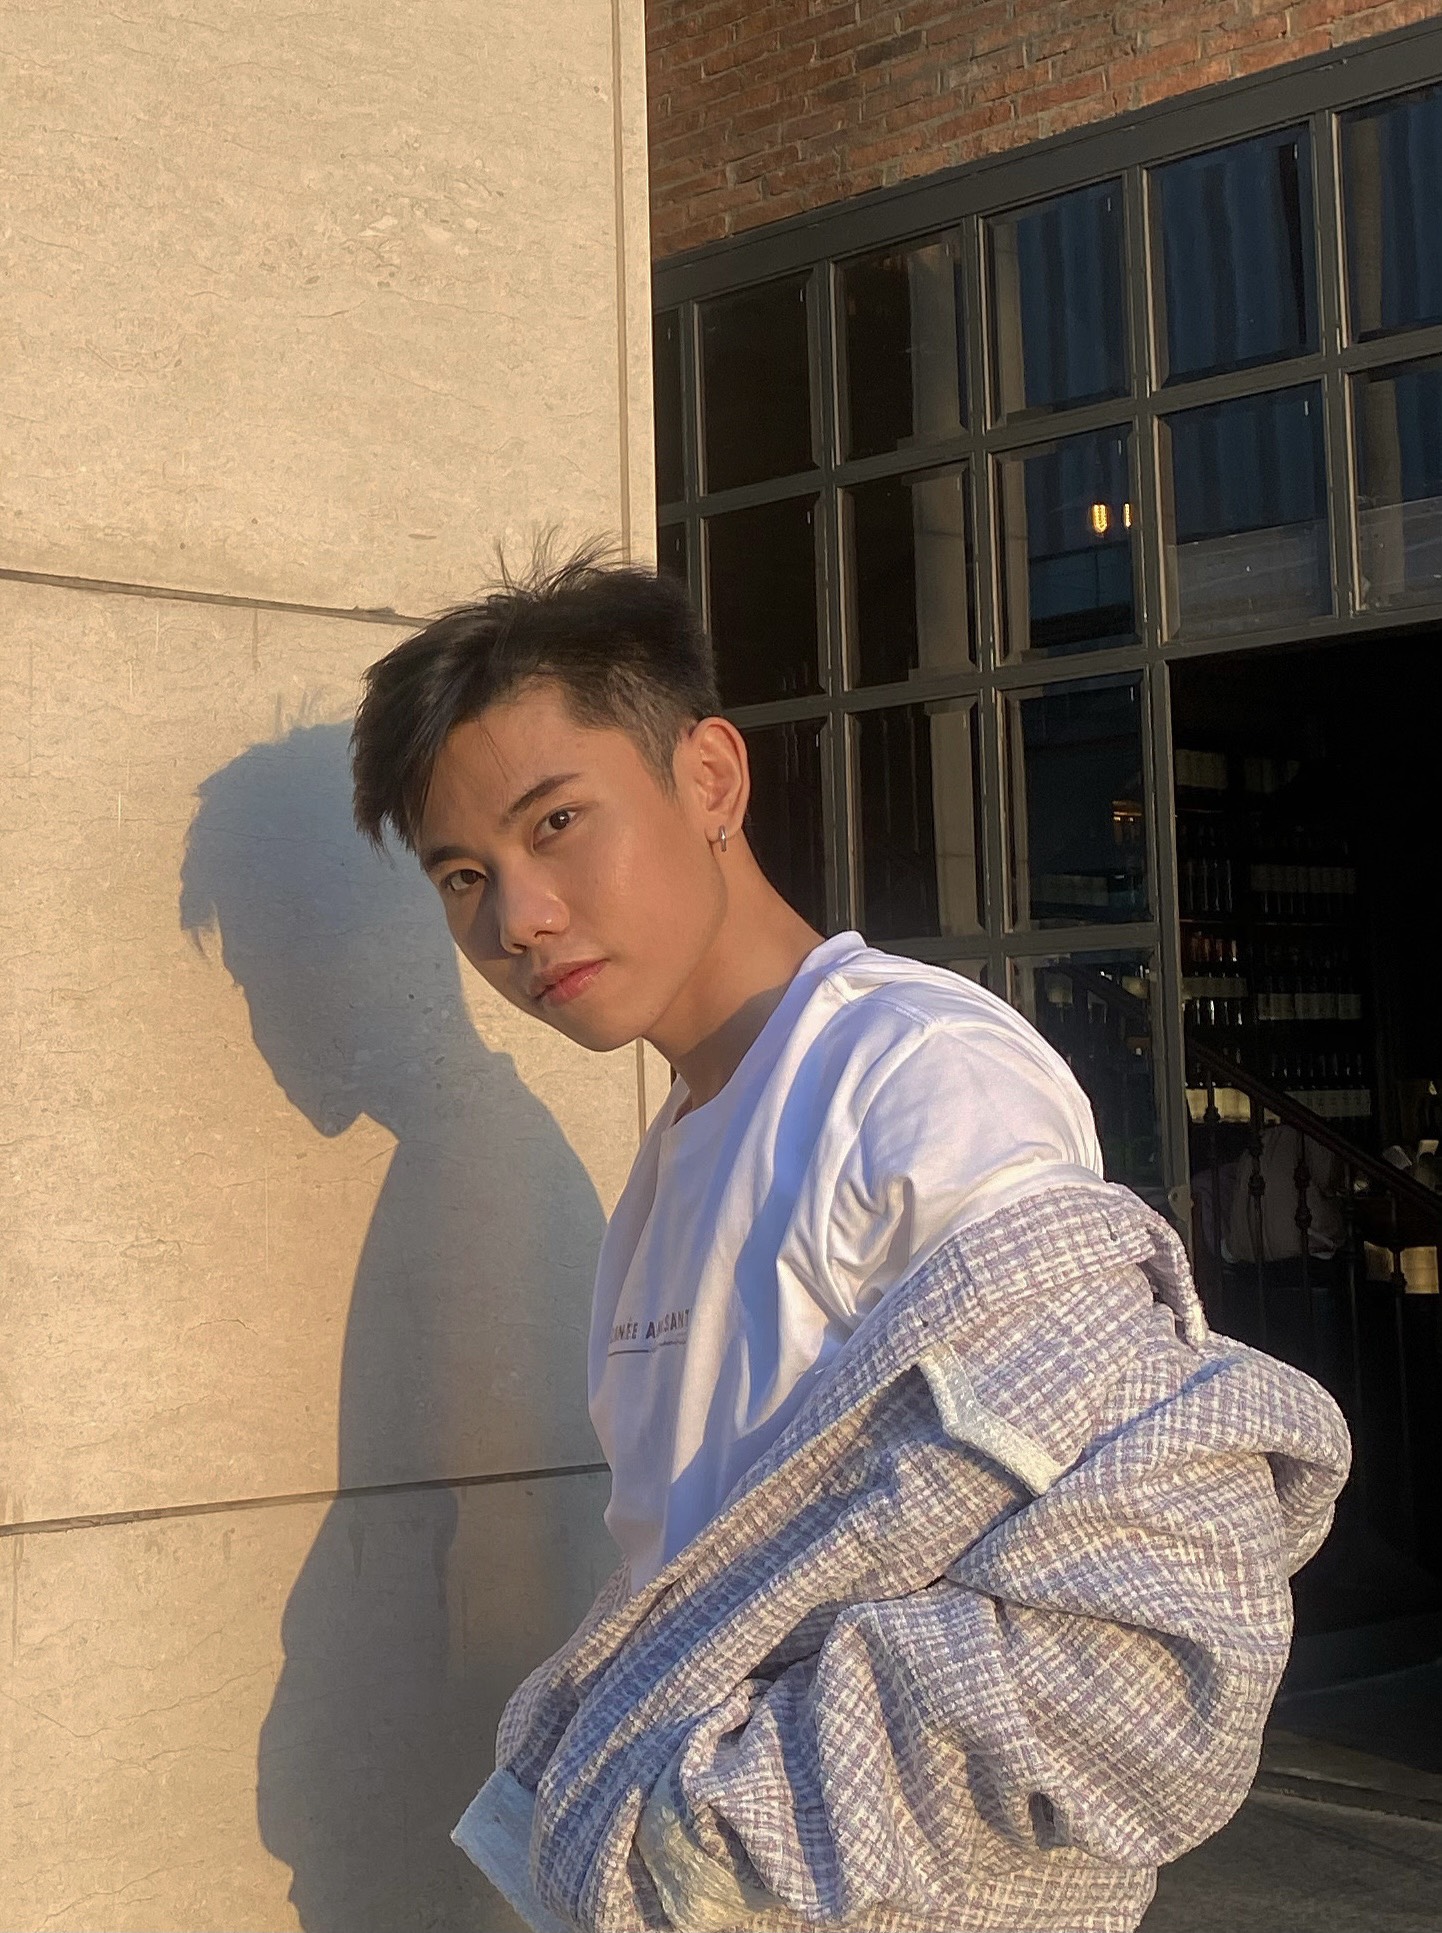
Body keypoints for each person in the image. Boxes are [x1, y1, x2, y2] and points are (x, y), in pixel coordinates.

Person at [350, 547, 1350, 1933]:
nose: (518, 918)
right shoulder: (674, 1153)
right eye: (464, 876)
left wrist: (703, 1839)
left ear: (709, 778)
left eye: (557, 822)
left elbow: (1143, 1621)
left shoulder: (912, 1080)